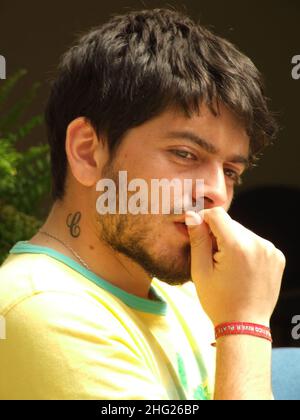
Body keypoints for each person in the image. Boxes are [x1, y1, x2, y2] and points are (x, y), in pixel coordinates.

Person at [0, 8, 285, 400]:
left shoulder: (187, 293)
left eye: (231, 171)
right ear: (87, 152)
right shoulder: (42, 311)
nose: (217, 192)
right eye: (185, 153)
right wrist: (246, 324)